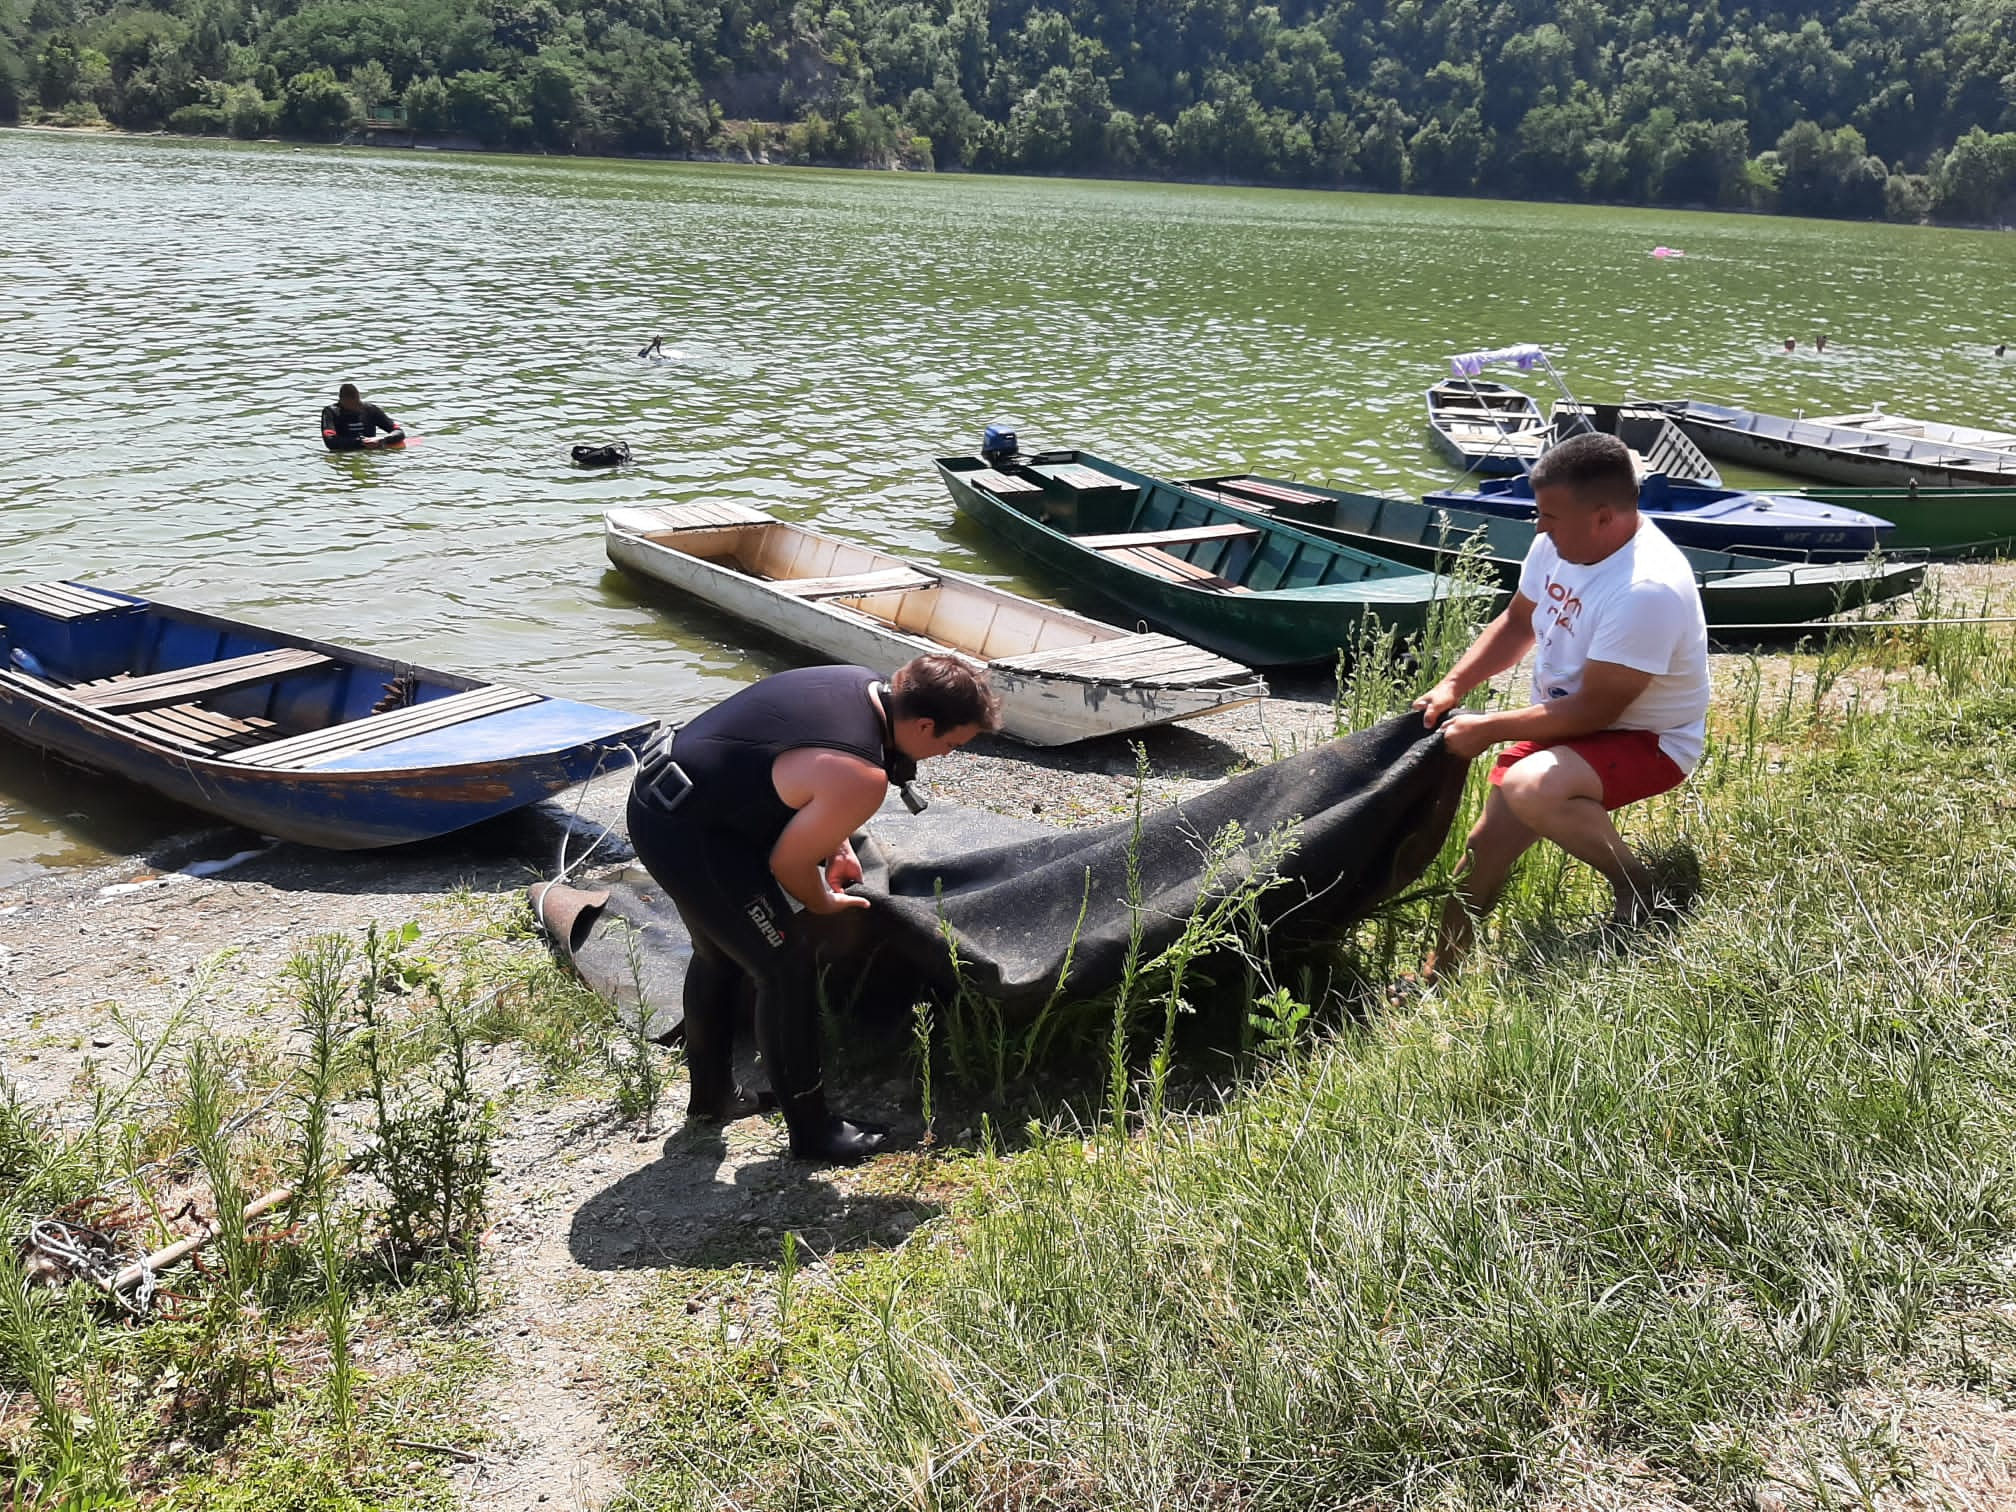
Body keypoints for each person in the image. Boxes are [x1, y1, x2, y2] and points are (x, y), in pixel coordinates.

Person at [625, 655, 1001, 1162]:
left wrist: (838, 845)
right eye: (949, 745)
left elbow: (798, 772)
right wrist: (822, 900)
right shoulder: (862, 774)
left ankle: (712, 1099)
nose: (944, 756)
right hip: (697, 837)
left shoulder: (855, 683)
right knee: (785, 968)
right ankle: (813, 1132)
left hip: (659, 799)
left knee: (720, 953)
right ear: (925, 724)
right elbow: (787, 864)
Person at [1411, 432, 1709, 983]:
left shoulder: (1647, 588)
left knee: (1530, 788)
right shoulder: (1557, 544)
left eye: (1549, 514)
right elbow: (1518, 622)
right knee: (1482, 850)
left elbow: (1596, 712)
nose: (1538, 526)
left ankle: (1640, 891)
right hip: (1569, 723)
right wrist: (1455, 685)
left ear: (1602, 517)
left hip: (1650, 737)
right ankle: (1437, 975)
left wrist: (1488, 730)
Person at [320, 383, 402, 451]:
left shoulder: (370, 410)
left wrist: (383, 439)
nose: (357, 407)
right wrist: (361, 442)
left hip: (370, 452)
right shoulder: (331, 412)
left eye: (357, 402)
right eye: (352, 404)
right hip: (345, 453)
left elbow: (398, 432)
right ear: (342, 401)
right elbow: (330, 442)